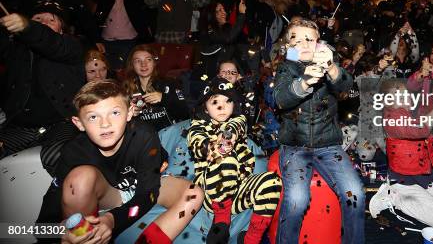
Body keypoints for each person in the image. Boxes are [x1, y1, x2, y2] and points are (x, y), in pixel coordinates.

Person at [36, 80, 204, 244]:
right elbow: (43, 222)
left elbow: (148, 194)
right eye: (93, 117)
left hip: (147, 184)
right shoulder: (74, 151)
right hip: (111, 193)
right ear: (79, 123)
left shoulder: (144, 135)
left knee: (193, 194)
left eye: (115, 113)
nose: (105, 124)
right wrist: (59, 232)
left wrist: (112, 219)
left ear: (129, 113)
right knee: (79, 179)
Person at [273, 18, 364, 244]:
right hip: (294, 146)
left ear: (319, 44)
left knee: (356, 195)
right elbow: (280, 99)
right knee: (297, 200)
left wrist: (332, 68)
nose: (304, 43)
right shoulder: (287, 66)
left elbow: (346, 88)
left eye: (310, 39)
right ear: (288, 45)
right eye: (298, 38)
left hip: (328, 145)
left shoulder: (327, 62)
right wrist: (303, 84)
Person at [187, 77, 282, 244]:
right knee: (225, 157)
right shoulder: (198, 125)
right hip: (211, 192)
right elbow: (195, 142)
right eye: (215, 101)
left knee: (272, 182)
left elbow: (236, 126)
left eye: (228, 101)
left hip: (238, 190)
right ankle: (221, 223)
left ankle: (251, 238)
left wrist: (227, 136)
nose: (222, 106)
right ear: (206, 108)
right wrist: (210, 146)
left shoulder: (237, 121)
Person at [369, 79, 433, 231]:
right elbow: (420, 129)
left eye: (406, 95)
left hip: (423, 174)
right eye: (399, 98)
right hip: (404, 179)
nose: (406, 99)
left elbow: (428, 107)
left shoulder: (409, 109)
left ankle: (425, 197)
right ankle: (393, 197)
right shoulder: (392, 119)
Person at [0, 1, 83, 174]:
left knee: (56, 155)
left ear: (62, 29)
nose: (43, 23)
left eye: (51, 20)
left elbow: (51, 43)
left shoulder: (71, 46)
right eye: (38, 18)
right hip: (22, 126)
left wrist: (30, 27)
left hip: (61, 123)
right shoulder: (15, 49)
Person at [122, 45, 189, 131]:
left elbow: (185, 113)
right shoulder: (126, 89)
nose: (143, 64)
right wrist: (130, 115)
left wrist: (164, 98)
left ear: (154, 62)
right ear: (132, 65)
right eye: (138, 61)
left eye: (148, 59)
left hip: (170, 136)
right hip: (143, 138)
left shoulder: (169, 83)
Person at [198, 0, 247, 78]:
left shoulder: (225, 29)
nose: (224, 12)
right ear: (212, 14)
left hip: (225, 71)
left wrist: (246, 72)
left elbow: (235, 50)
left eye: (224, 10)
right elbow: (228, 38)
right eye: (220, 10)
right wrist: (241, 14)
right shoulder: (208, 31)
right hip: (211, 76)